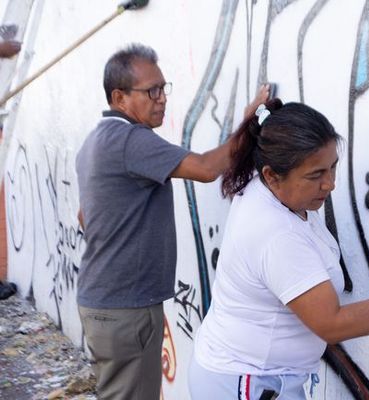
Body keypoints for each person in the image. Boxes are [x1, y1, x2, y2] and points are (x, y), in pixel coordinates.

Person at [188, 99, 369, 399]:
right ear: (271, 176)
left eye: (333, 167)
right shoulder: (275, 236)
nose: (330, 184)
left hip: (250, 377)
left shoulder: (276, 194)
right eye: (316, 175)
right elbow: (332, 323)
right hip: (243, 383)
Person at [75, 43, 269, 400]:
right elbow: (208, 169)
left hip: (100, 301)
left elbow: (85, 216)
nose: (162, 98)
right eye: (152, 91)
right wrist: (248, 122)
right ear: (119, 97)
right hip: (126, 307)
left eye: (164, 88)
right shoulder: (131, 138)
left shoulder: (95, 141)